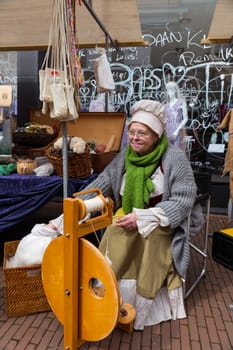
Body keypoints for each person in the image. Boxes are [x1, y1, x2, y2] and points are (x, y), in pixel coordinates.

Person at [43, 99, 203, 330]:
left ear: (156, 136)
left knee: (148, 240)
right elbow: (103, 184)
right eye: (133, 131)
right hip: (127, 214)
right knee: (113, 232)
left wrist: (143, 218)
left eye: (143, 133)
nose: (136, 137)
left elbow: (183, 200)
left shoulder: (174, 158)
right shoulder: (125, 156)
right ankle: (105, 297)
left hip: (161, 221)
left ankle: (138, 305)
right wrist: (68, 214)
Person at [164, 81, 188, 150]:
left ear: (175, 90)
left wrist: (177, 131)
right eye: (168, 89)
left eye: (171, 89)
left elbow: (185, 118)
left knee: (176, 149)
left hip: (177, 128)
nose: (169, 91)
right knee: (167, 150)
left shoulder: (181, 102)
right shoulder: (165, 105)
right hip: (167, 129)